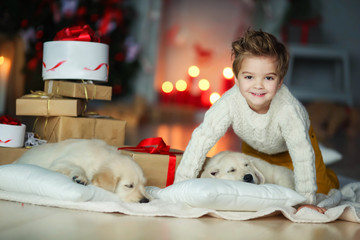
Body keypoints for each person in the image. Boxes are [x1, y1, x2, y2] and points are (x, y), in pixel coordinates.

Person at [174, 29, 339, 206]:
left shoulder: (288, 110)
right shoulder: (229, 102)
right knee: (251, 192)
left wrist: (307, 200)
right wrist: (182, 184)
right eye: (249, 77)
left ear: (280, 81)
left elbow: (302, 154)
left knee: (321, 192)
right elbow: (202, 137)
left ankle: (330, 176)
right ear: (236, 79)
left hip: (292, 149)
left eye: (268, 78)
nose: (258, 86)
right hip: (254, 148)